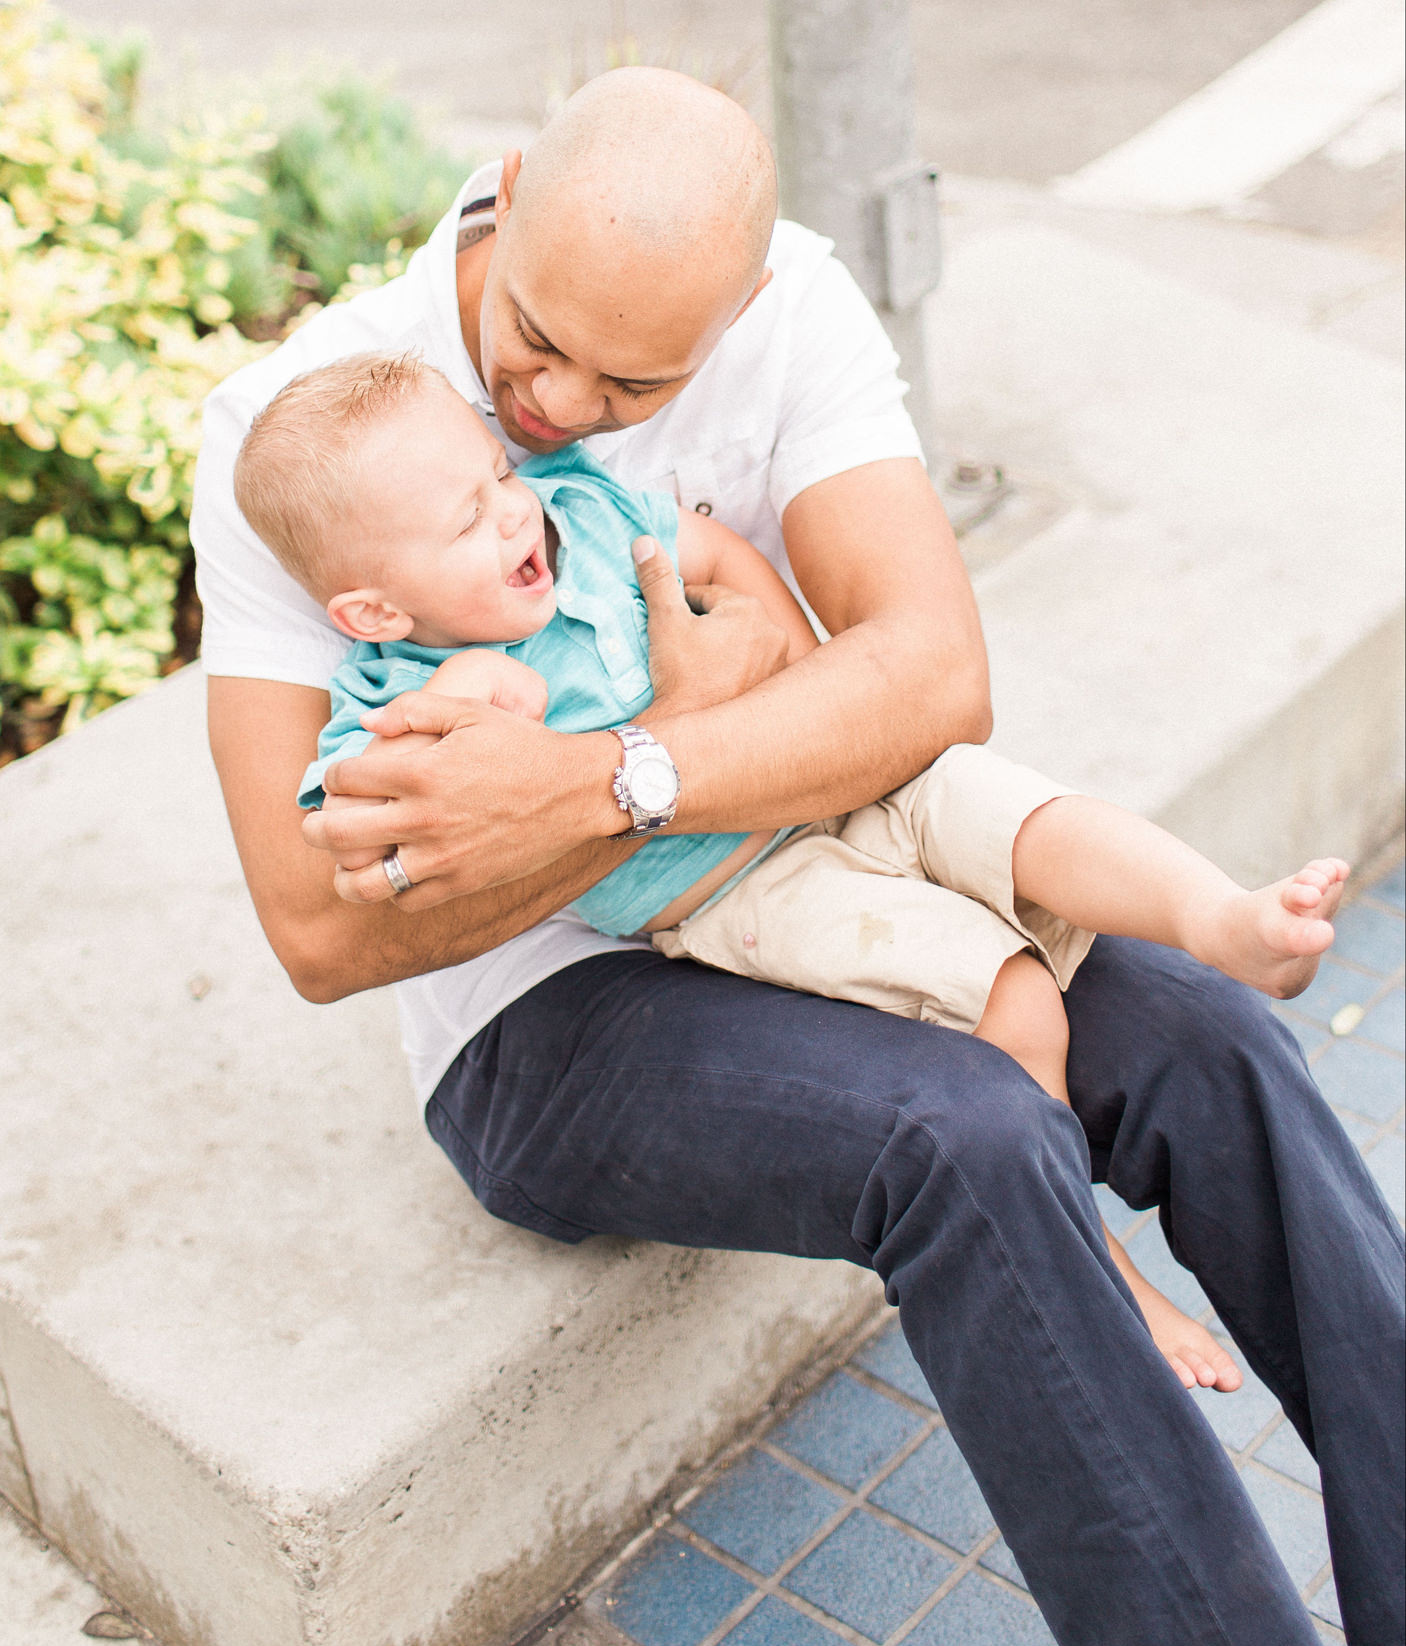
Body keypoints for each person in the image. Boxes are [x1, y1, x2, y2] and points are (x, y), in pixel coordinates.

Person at [193, 66, 1405, 1646]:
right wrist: (715, 724)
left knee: (1209, 1033)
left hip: (800, 862)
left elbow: (928, 679)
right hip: (543, 1016)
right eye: (533, 348)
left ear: (740, 311)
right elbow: (315, 928)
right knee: (967, 1139)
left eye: (633, 391)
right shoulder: (311, 434)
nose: (555, 413)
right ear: (500, 196)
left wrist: (608, 774)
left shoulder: (800, 314)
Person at [234, 348, 1364, 1396]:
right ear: (374, 610)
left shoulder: (578, 507)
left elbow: (713, 553)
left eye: (496, 474)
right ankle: (1104, 1269)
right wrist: (481, 714)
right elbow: (351, 844)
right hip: (743, 894)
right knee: (1014, 996)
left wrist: (791, 676)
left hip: (817, 788)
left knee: (1018, 814)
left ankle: (1218, 916)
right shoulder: (387, 703)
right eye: (465, 519)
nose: (509, 511)